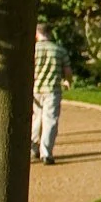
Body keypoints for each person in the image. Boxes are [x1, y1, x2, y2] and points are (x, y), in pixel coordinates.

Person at [31, 21, 74, 166]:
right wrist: (68, 81)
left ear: (37, 33)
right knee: (50, 120)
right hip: (52, 90)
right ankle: (46, 153)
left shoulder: (32, 50)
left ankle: (33, 148)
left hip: (35, 89)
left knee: (36, 118)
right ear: (49, 33)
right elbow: (67, 71)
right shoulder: (59, 50)